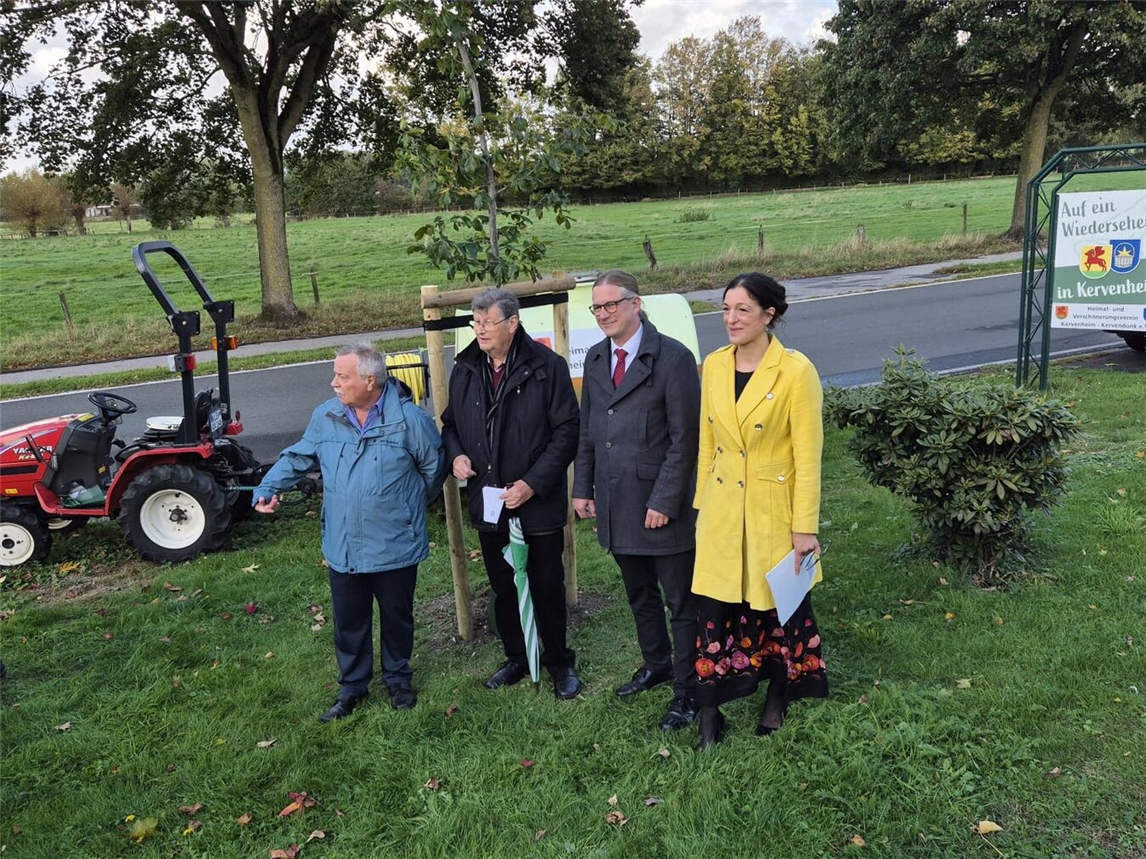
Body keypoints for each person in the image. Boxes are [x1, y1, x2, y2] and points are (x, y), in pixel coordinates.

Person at [253, 343, 446, 722]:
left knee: (397, 616)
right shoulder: (326, 416)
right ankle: (352, 687)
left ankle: (398, 679)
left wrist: (403, 507)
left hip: (395, 542)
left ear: (370, 380)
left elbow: (433, 470)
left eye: (343, 376)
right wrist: (268, 486)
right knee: (349, 618)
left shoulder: (410, 421)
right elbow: (298, 457)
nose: (334, 383)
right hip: (343, 542)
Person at [691, 273, 828, 748]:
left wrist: (804, 529)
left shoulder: (795, 371)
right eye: (725, 308)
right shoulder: (712, 365)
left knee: (779, 608)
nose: (730, 319)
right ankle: (709, 711)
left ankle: (779, 691)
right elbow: (707, 442)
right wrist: (701, 507)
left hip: (774, 511)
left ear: (769, 315)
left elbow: (808, 456)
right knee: (713, 609)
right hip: (722, 511)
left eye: (742, 309)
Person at [572, 270, 700, 730]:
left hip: (661, 507)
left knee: (680, 603)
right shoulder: (596, 358)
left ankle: (688, 690)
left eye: (612, 304)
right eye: (597, 307)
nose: (604, 314)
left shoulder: (673, 358)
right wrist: (582, 487)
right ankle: (657, 664)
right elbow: (589, 428)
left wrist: (665, 501)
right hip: (615, 502)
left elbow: (686, 440)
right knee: (638, 594)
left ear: (636, 304)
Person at [441, 288, 582, 699]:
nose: (480, 330)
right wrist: (457, 457)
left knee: (545, 583)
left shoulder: (546, 367)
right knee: (504, 584)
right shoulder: (466, 367)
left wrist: (532, 483)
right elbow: (451, 424)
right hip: (489, 500)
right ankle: (518, 657)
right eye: (476, 322)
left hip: (534, 500)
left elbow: (567, 431)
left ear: (512, 323)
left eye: (488, 322)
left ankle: (558, 662)